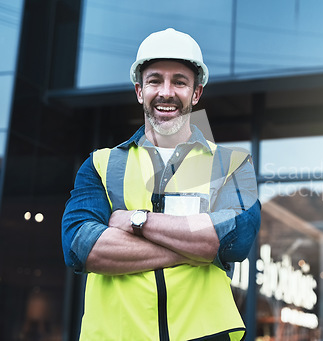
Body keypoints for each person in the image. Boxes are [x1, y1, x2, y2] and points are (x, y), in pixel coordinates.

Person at [61, 28, 260, 341]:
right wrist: (199, 248)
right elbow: (81, 248)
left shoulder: (231, 164)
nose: (166, 92)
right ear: (140, 90)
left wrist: (135, 221)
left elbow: (233, 241)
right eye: (155, 80)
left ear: (196, 93)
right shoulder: (100, 165)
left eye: (179, 81)